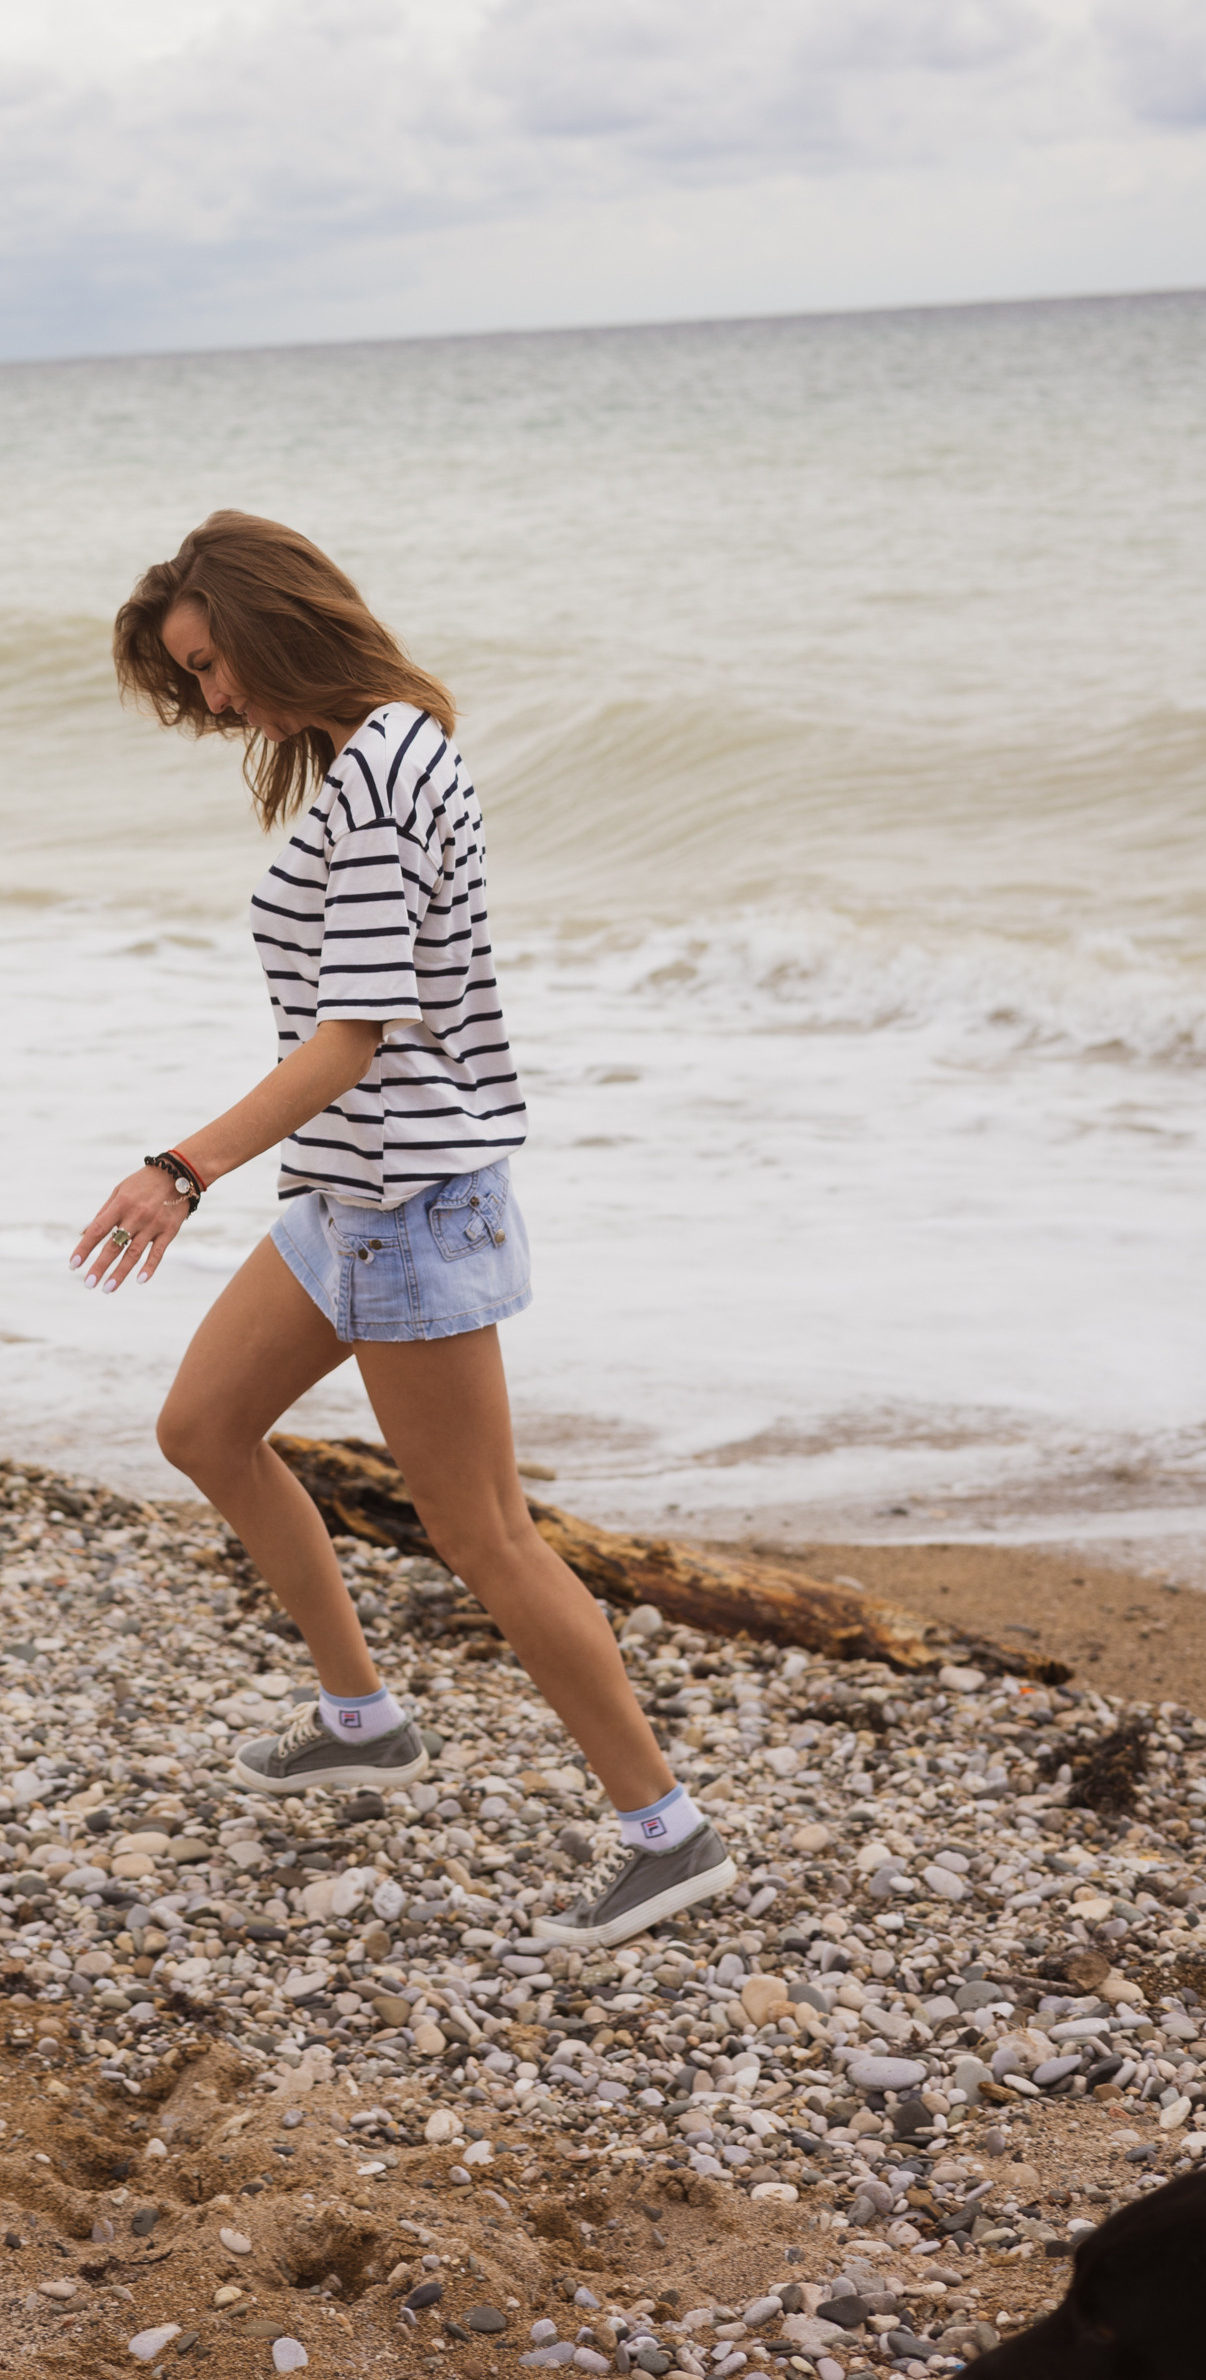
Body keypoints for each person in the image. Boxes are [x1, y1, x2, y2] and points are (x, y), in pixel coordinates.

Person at [70, 509, 735, 1948]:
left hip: (409, 1202)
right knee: (203, 1429)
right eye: (191, 679)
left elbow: (351, 1038)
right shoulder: (391, 749)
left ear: (274, 623)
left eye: (211, 664)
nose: (212, 700)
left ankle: (665, 1831)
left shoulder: (377, 780)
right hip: (351, 1196)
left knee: (483, 1534)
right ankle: (361, 1719)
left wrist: (179, 1169)